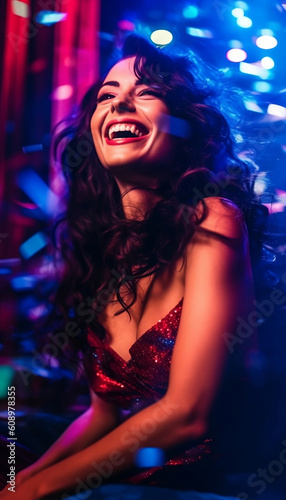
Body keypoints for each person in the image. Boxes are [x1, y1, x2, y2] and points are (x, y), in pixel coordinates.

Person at [0, 35, 261, 500]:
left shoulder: (214, 218)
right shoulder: (103, 250)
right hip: (119, 475)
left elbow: (186, 413)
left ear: (188, 126)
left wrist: (38, 491)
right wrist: (22, 481)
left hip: (193, 485)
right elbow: (105, 414)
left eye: (146, 93)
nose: (119, 101)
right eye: (106, 95)